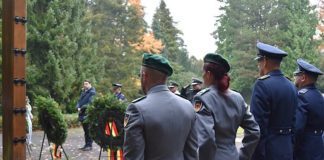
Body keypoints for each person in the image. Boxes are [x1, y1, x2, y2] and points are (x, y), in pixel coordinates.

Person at [123, 53, 198, 160]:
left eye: (140, 76)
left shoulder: (137, 109)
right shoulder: (188, 106)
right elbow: (192, 155)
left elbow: (133, 157)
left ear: (144, 76)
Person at [194, 53, 260, 160]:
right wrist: (243, 156)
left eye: (203, 72)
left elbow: (206, 138)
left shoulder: (202, 98)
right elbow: (254, 131)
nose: (202, 76)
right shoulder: (238, 98)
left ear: (209, 74)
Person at [250, 42, 297, 160]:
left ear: (265, 61)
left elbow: (258, 127)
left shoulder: (262, 85)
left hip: (268, 151)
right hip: (287, 150)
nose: (258, 66)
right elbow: (294, 123)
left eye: (259, 61)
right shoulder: (291, 86)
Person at [293, 59, 324, 160]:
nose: (295, 78)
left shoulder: (301, 96)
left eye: (296, 75)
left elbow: (298, 128)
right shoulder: (319, 96)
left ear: (303, 77)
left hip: (304, 148)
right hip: (318, 144)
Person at [76, 80, 96, 151]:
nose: (85, 85)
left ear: (90, 84)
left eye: (86, 84)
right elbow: (79, 101)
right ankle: (86, 145)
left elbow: (90, 103)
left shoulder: (92, 92)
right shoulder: (83, 92)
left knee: (88, 130)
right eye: (84, 84)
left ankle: (89, 145)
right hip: (82, 114)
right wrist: (78, 106)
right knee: (85, 131)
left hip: (88, 114)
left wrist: (81, 107)